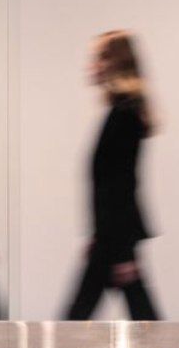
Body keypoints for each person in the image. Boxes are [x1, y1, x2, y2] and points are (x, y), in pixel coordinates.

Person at [65, 30, 160, 320]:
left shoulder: (124, 115)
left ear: (115, 63)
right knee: (143, 320)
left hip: (114, 241)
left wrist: (122, 251)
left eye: (98, 59)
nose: (92, 66)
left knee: (75, 320)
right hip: (110, 239)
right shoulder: (120, 112)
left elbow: (121, 185)